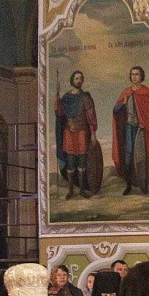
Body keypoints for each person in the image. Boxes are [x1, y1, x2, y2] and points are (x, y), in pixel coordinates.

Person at [112, 65, 149, 195]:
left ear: (141, 76)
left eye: (137, 74)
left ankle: (143, 184)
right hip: (129, 128)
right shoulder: (127, 92)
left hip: (141, 129)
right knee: (128, 155)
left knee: (142, 156)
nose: (134, 77)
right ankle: (129, 185)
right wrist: (123, 103)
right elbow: (115, 110)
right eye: (132, 74)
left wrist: (144, 123)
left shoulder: (146, 92)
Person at [55, 70, 97, 199]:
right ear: (72, 80)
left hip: (82, 132)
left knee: (82, 162)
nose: (79, 81)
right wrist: (57, 99)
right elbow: (60, 113)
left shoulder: (85, 97)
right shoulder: (66, 98)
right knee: (71, 161)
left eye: (80, 78)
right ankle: (70, 190)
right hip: (69, 132)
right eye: (76, 78)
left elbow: (91, 116)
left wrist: (93, 133)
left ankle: (82, 190)